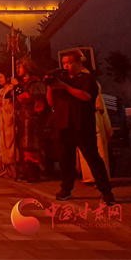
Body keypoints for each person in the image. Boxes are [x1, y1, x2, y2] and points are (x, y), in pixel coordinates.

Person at [47, 49, 115, 204]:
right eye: (64, 63)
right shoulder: (61, 80)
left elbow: (86, 96)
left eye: (69, 63)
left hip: (82, 125)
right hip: (63, 125)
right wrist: (50, 85)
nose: (66, 66)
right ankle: (66, 189)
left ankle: (106, 192)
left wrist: (65, 87)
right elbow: (51, 102)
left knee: (93, 159)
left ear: (79, 63)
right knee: (66, 160)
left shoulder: (86, 79)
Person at [14, 57, 45, 184]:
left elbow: (26, 98)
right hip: (21, 117)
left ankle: (34, 173)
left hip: (31, 118)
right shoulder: (21, 83)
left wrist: (16, 87)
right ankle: (26, 171)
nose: (17, 69)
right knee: (22, 146)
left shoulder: (34, 82)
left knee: (30, 146)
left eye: (20, 67)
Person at [78, 85, 113, 185]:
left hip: (93, 115)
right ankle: (90, 177)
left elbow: (97, 102)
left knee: (97, 148)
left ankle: (99, 178)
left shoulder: (90, 82)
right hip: (84, 116)